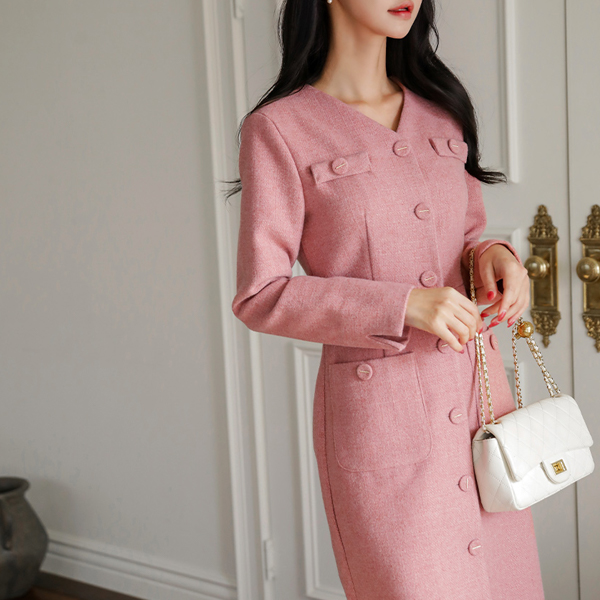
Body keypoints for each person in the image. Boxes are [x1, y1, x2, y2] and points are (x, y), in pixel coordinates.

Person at [226, 0, 544, 598]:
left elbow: (467, 237)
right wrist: (402, 306)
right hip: (383, 427)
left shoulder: (441, 113)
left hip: (480, 405)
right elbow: (261, 294)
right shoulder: (281, 129)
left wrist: (495, 256)